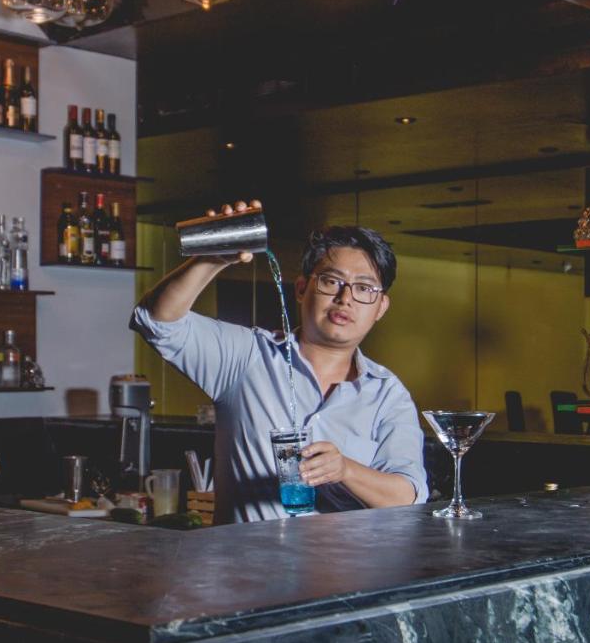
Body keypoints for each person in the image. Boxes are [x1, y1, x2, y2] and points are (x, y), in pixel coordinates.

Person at [131, 200, 427, 523]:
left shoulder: (387, 395)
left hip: (345, 558)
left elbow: (409, 496)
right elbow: (156, 321)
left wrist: (345, 470)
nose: (345, 299)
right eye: (331, 281)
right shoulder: (247, 356)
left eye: (364, 288)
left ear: (380, 307)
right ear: (301, 288)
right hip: (246, 556)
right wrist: (213, 259)